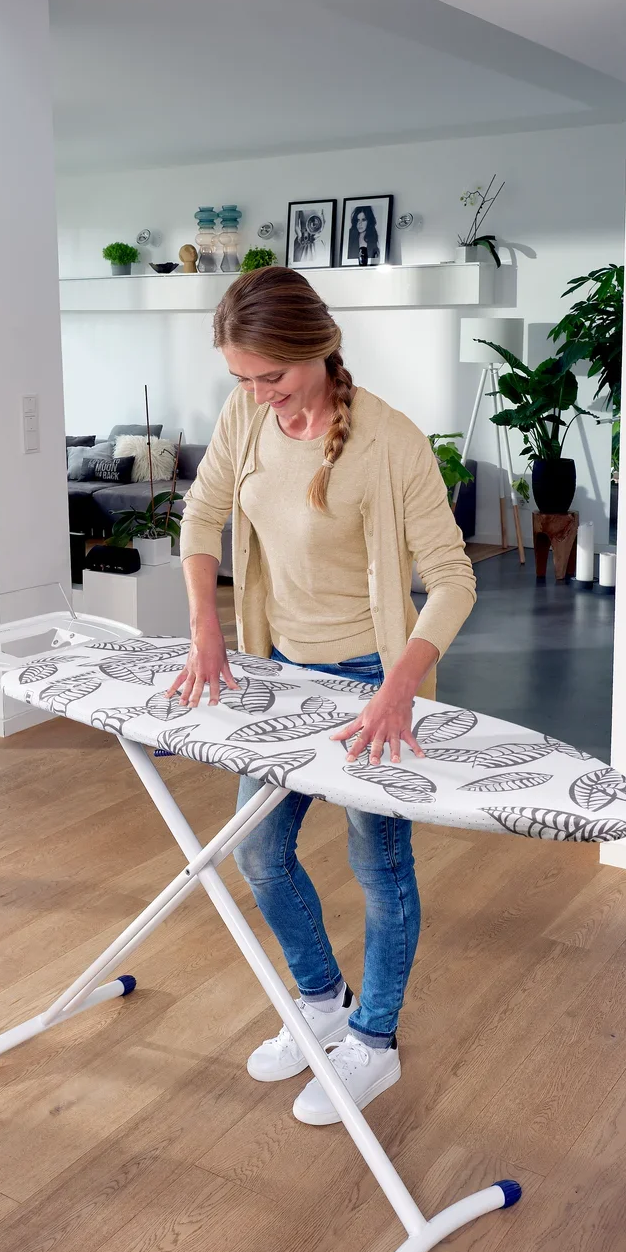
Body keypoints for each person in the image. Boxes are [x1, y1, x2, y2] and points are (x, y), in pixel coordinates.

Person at [167, 266, 476, 1126]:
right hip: (282, 673)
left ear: (320, 347)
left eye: (274, 376)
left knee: (378, 864)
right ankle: (322, 1001)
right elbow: (201, 518)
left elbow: (452, 580)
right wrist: (207, 628)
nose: (261, 395)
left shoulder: (391, 441)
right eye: (243, 379)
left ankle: (373, 1043)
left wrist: (399, 690)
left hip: (372, 679)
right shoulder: (246, 416)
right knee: (260, 853)